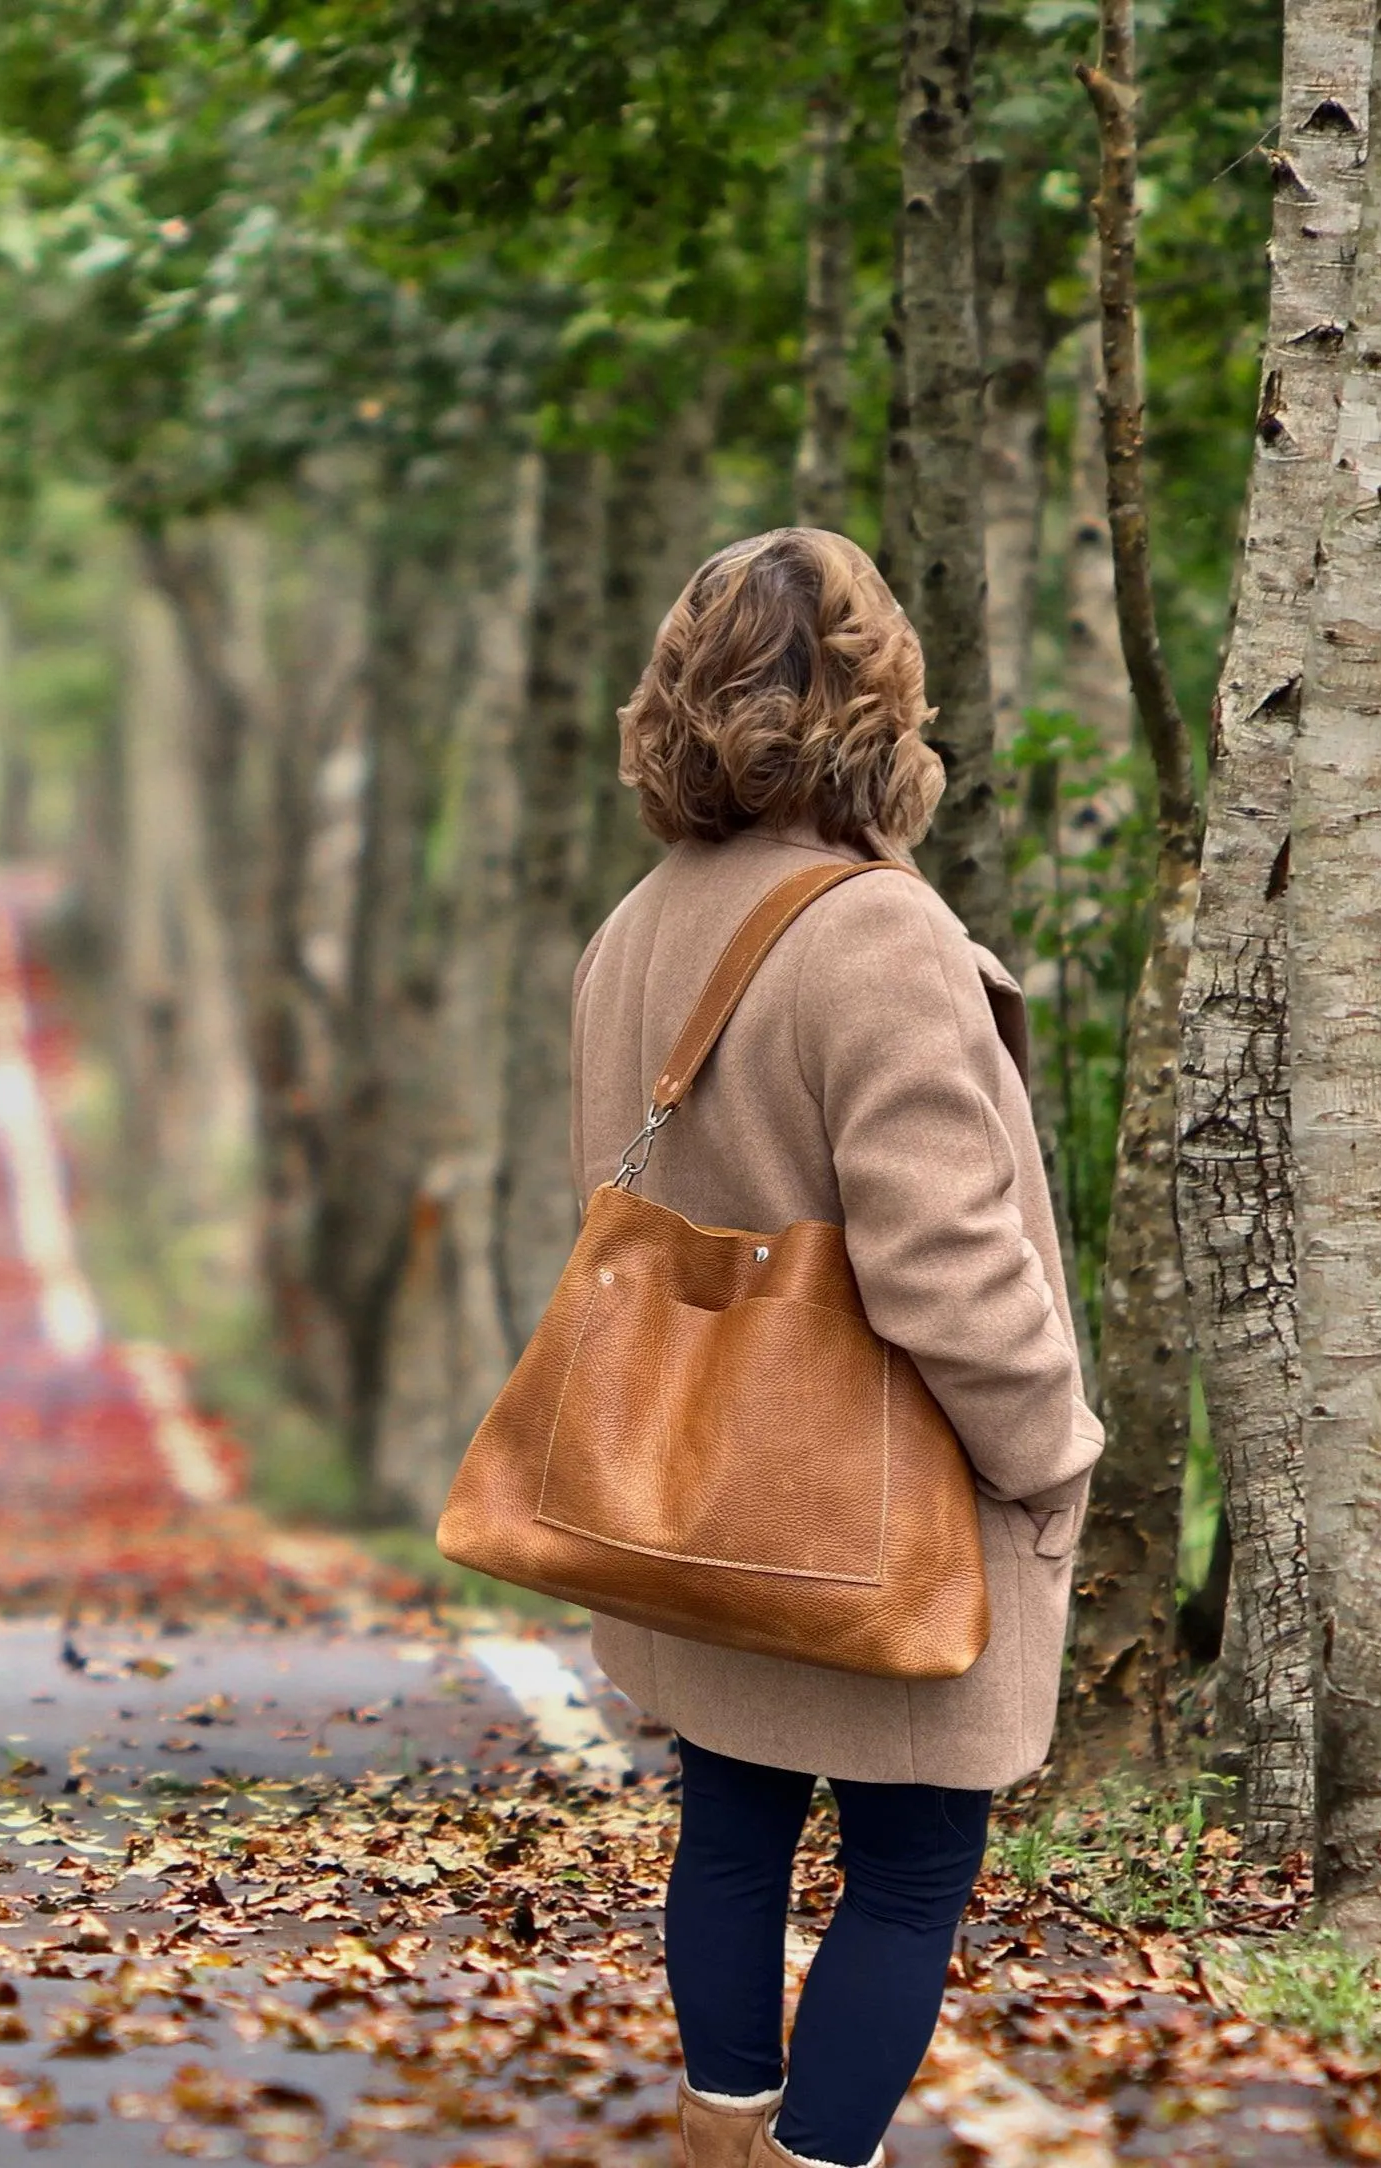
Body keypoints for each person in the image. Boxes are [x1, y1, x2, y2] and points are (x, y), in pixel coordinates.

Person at [568, 528, 1104, 2168]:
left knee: (728, 1836)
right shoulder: (878, 935)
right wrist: (1053, 1454)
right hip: (885, 1508)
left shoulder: (642, 922)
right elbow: (944, 1263)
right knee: (913, 1871)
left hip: (703, 1486)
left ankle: (724, 2146)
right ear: (883, 705)